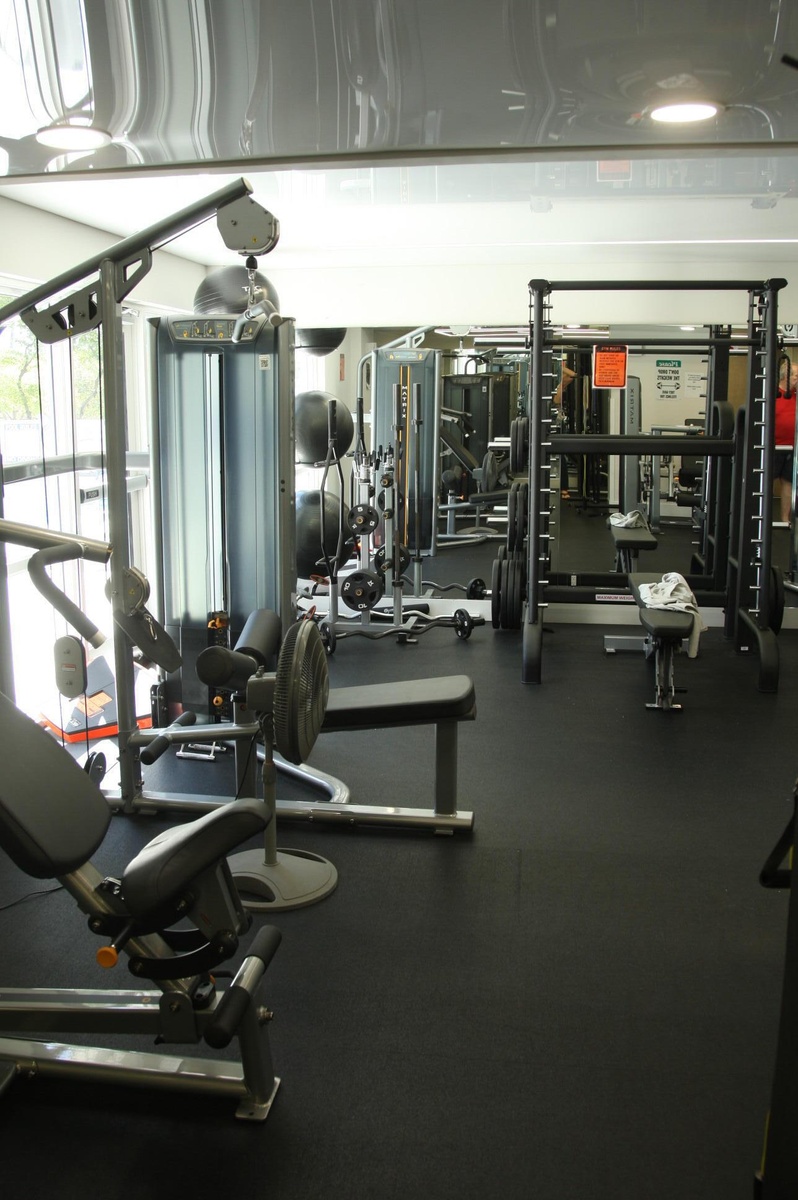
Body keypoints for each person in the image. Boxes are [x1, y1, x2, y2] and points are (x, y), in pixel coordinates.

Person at [774, 356, 798, 523]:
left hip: (793, 448)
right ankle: (762, 519)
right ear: (785, 376)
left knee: (789, 484)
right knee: (766, 482)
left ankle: (784, 520)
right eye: (796, 375)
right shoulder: (773, 394)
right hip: (774, 448)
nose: (797, 379)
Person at [553, 363, 576, 498]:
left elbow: (573, 375)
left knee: (561, 455)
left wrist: (560, 367)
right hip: (552, 422)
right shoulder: (556, 385)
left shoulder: (561, 384)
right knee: (558, 455)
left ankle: (563, 488)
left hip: (558, 424)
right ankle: (563, 488)